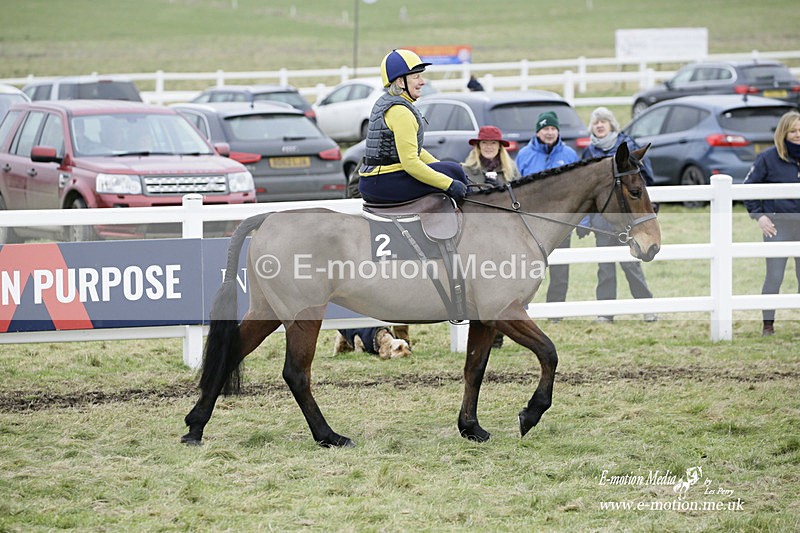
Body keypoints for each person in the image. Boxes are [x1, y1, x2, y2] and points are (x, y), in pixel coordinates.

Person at [358, 49, 468, 204]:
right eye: (416, 76)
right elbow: (410, 163)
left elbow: (412, 148)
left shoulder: (390, 102)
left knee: (451, 169)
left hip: (375, 181)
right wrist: (449, 184)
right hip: (382, 183)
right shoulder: (401, 112)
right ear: (400, 82)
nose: (422, 81)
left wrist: (438, 165)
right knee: (454, 172)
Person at [580, 106, 657, 323]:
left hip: (627, 219)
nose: (600, 125)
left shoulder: (629, 147)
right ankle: (606, 312)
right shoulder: (589, 152)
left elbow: (645, 180)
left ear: (612, 124)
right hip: (602, 219)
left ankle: (647, 308)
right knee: (604, 268)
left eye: (604, 121)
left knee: (631, 264)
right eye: (596, 122)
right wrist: (587, 220)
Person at [515, 111, 579, 317]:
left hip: (561, 224)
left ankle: (556, 311)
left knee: (561, 270)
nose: (549, 133)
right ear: (538, 131)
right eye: (545, 129)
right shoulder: (525, 155)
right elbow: (515, 188)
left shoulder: (569, 155)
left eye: (553, 128)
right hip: (530, 224)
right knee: (527, 269)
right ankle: (522, 309)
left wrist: (581, 220)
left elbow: (579, 189)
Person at [743, 110, 800, 337]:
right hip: (777, 226)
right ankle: (768, 325)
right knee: (774, 277)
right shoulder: (767, 158)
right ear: (783, 132)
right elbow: (748, 187)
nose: (798, 135)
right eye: (793, 131)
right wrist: (760, 216)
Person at [462, 125, 520, 347]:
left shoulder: (511, 171)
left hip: (505, 236)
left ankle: (499, 332)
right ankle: (481, 333)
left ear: (499, 147)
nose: (488, 147)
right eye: (484, 143)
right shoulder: (466, 170)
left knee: (505, 285)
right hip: (476, 236)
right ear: (478, 146)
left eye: (492, 143)